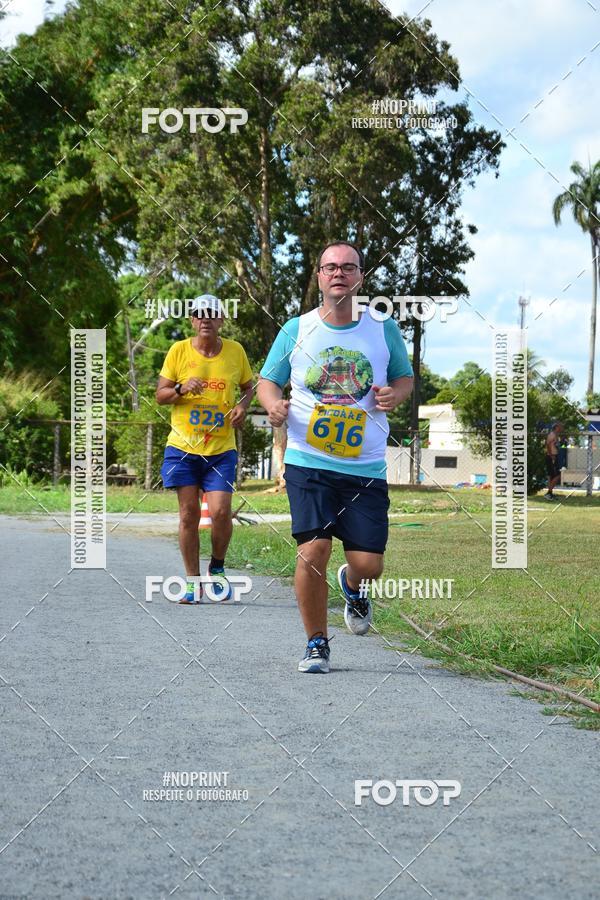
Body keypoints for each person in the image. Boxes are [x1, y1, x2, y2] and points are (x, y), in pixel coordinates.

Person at [257, 241, 413, 673]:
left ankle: (353, 584)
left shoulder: (383, 329)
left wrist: (393, 394)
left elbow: (404, 379)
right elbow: (269, 382)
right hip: (308, 461)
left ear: (360, 276)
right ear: (319, 276)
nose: (339, 273)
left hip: (364, 467)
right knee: (314, 548)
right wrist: (273, 406)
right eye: (330, 267)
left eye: (348, 267)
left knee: (369, 564)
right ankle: (316, 643)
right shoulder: (296, 328)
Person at [156, 295, 253, 603]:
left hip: (221, 449)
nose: (206, 319)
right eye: (200, 314)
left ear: (222, 320)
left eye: (212, 314)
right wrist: (182, 389)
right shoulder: (178, 351)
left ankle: (218, 567)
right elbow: (160, 395)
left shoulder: (235, 352)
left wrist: (242, 406)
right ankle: (191, 581)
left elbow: (250, 387)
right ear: (193, 320)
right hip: (183, 448)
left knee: (222, 512)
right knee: (188, 514)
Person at [544, 421, 564, 501]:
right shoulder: (552, 434)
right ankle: (548, 493)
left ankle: (550, 494)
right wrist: (551, 455)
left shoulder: (556, 435)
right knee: (557, 475)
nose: (562, 428)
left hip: (554, 456)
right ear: (556, 427)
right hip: (551, 457)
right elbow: (548, 444)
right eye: (560, 427)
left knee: (551, 476)